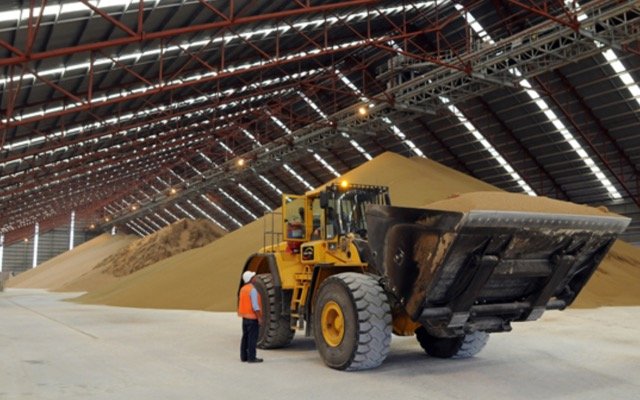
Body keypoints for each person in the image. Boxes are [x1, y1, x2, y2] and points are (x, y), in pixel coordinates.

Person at [238, 270, 263, 363]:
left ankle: (243, 357)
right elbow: (255, 306)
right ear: (251, 279)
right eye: (253, 277)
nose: (255, 278)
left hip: (244, 318)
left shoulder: (243, 289)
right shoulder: (252, 290)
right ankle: (252, 358)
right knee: (252, 338)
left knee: (245, 337)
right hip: (252, 318)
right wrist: (259, 318)